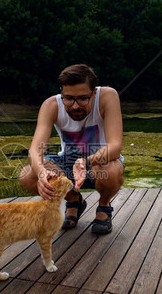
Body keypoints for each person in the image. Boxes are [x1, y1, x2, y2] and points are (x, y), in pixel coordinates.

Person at [19, 64, 124, 235]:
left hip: (100, 161)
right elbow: (35, 151)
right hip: (67, 161)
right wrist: (41, 173)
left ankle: (104, 205)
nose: (75, 106)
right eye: (68, 98)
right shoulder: (50, 105)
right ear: (61, 92)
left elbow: (115, 147)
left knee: (110, 171)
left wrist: (86, 161)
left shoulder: (108, 96)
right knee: (28, 175)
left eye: (83, 98)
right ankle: (74, 200)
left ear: (94, 93)